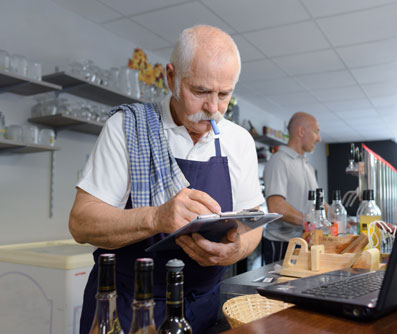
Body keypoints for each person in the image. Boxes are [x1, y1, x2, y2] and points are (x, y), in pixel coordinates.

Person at [69, 25, 264, 334]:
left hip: (203, 308)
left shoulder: (238, 140)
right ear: (170, 77)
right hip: (129, 308)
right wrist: (156, 217)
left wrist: (236, 250)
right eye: (199, 92)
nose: (213, 109)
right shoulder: (126, 127)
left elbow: (254, 220)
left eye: (224, 95)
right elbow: (81, 223)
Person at [262, 112, 321, 264]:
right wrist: (310, 222)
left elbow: (318, 203)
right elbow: (276, 206)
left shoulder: (307, 165)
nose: (319, 138)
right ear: (301, 132)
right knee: (279, 287)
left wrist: (336, 214)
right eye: (316, 131)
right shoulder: (279, 161)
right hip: (281, 244)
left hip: (303, 240)